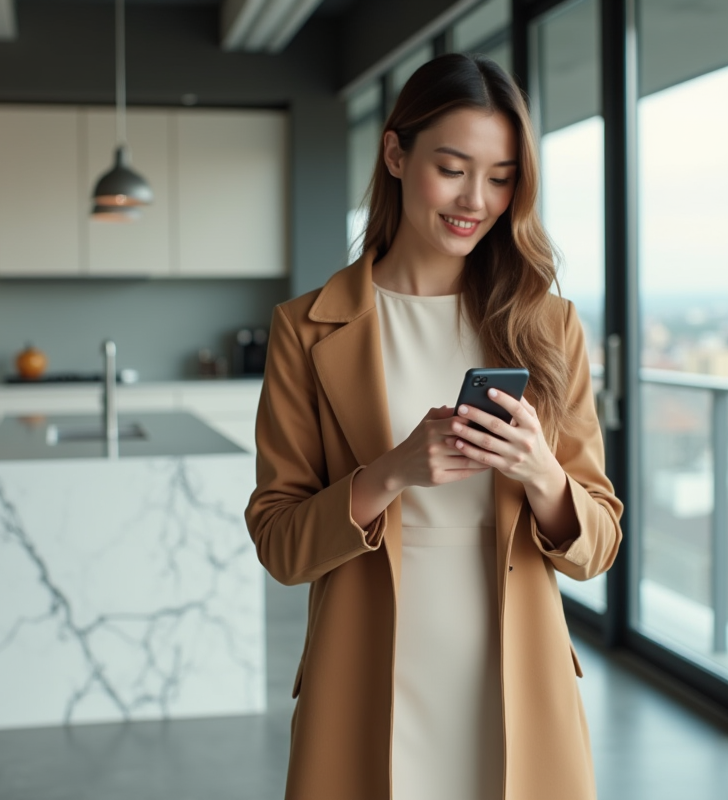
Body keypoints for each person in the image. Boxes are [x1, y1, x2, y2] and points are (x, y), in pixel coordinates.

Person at [245, 53, 624, 800]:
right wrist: (391, 472)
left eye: (501, 175)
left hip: (515, 679)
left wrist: (541, 472)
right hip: (365, 679)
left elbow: (599, 546)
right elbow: (281, 546)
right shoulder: (306, 329)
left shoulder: (548, 327)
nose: (474, 200)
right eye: (452, 168)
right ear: (395, 153)